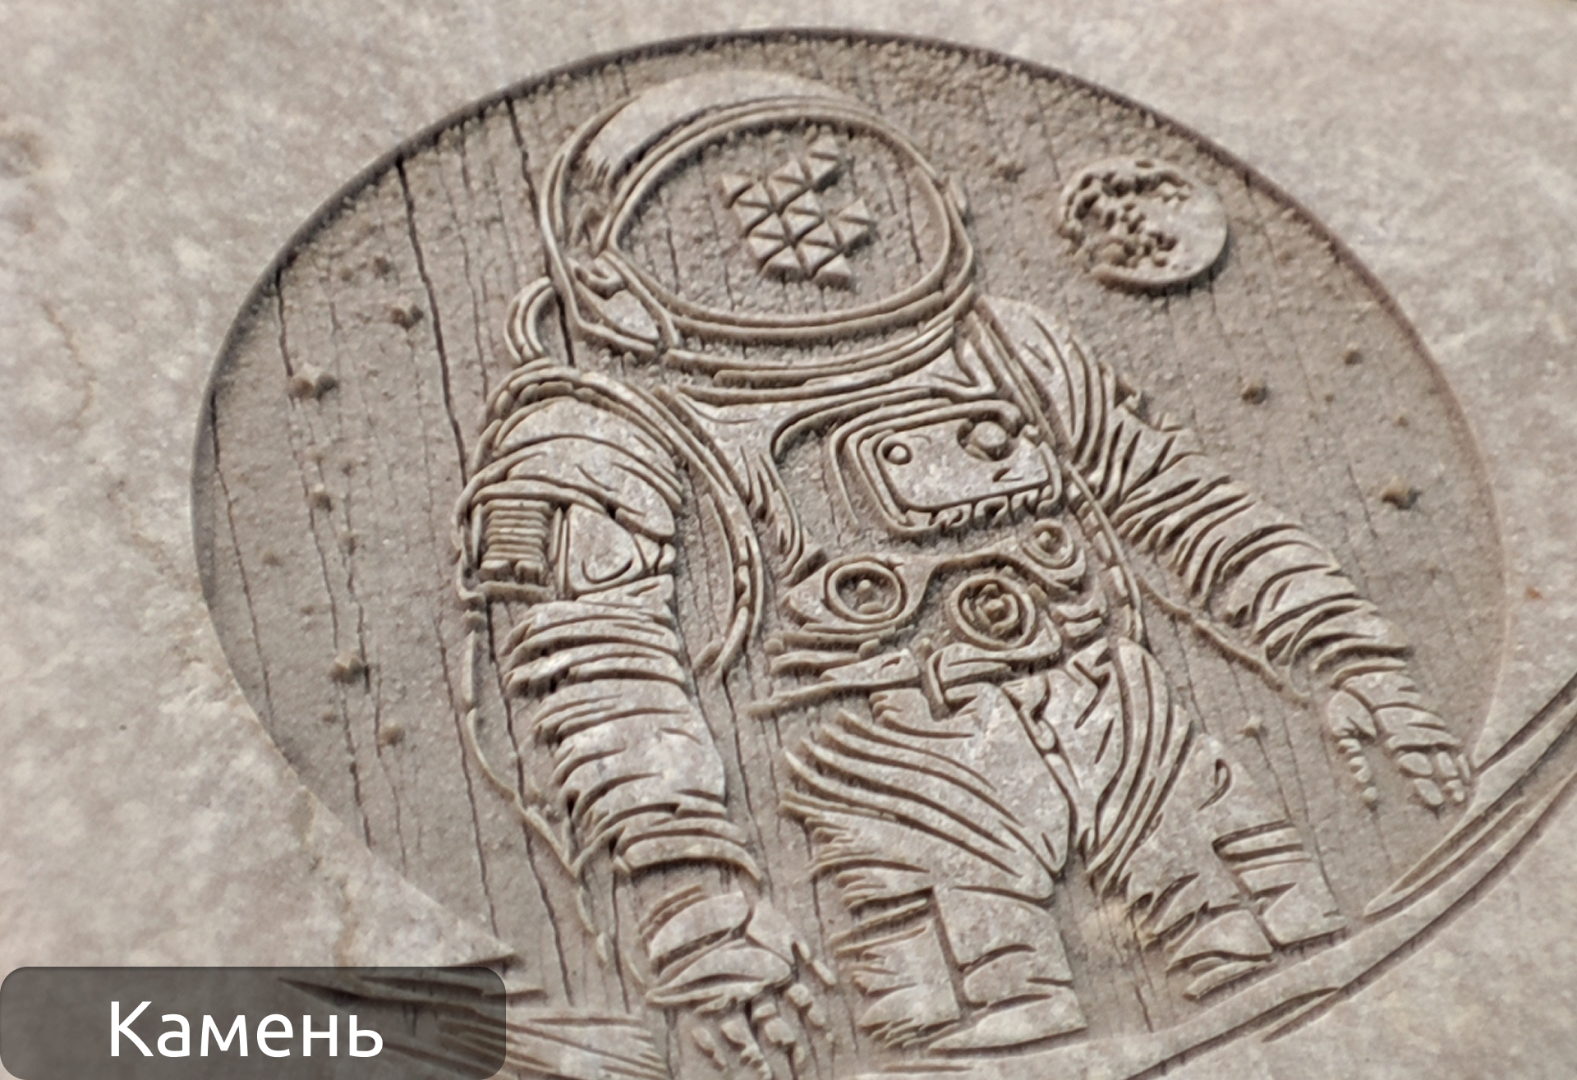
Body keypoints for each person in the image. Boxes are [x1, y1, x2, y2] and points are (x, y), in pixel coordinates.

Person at [454, 69, 1468, 1072]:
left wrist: (1345, 653)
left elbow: (1180, 502)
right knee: (984, 1034)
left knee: (1300, 980)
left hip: (1133, 730)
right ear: (605, 281)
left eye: (848, 180)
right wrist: (696, 907)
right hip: (890, 779)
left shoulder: (1009, 348)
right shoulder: (602, 430)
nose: (816, 233)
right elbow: (602, 677)